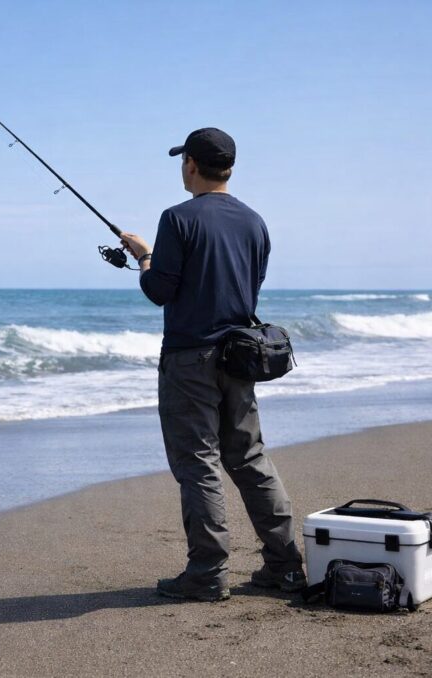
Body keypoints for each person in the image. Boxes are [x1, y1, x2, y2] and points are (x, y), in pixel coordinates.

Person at [119, 128, 305, 602]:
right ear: (230, 167)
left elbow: (159, 290)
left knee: (198, 464)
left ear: (192, 165)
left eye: (183, 161)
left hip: (189, 360)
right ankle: (285, 566)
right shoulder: (255, 222)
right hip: (241, 356)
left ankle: (206, 573)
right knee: (250, 458)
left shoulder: (177, 218)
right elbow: (249, 286)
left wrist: (144, 258)